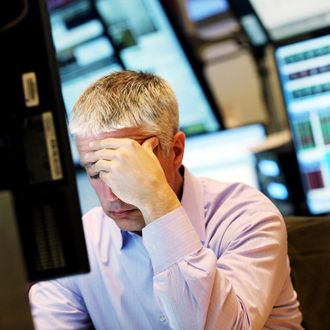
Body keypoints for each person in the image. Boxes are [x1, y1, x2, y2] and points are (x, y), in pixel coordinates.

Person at [29, 70, 303, 329]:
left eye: (130, 169)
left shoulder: (247, 216)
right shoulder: (80, 243)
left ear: (176, 150)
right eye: (96, 171)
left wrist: (155, 203)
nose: (113, 194)